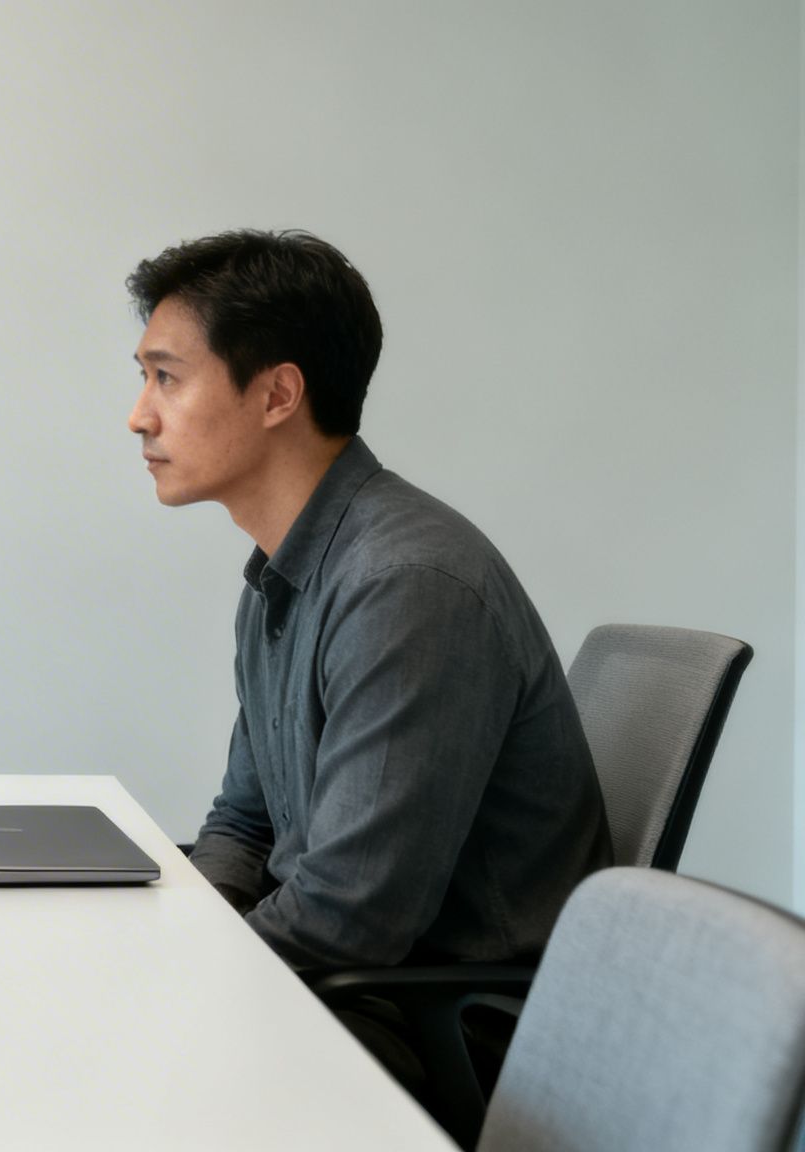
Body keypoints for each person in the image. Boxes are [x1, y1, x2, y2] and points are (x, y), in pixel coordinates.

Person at [123, 230, 612, 1077]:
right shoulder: (284, 575)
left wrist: (175, 980)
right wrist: (178, 937)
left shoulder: (408, 587)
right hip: (345, 989)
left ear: (278, 395)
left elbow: (352, 915)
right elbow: (247, 822)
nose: (140, 413)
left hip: (444, 1033)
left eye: (166, 377)